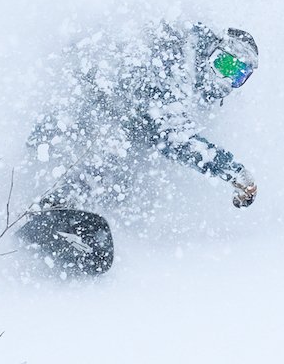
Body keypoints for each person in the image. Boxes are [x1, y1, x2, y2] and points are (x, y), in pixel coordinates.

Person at [18, 20, 259, 275]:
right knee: (112, 151)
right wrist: (232, 171)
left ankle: (67, 219)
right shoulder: (177, 54)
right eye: (223, 63)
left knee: (128, 171)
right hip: (75, 118)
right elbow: (173, 136)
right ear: (212, 50)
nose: (224, 77)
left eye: (237, 75)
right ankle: (52, 210)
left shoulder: (186, 62)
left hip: (96, 117)